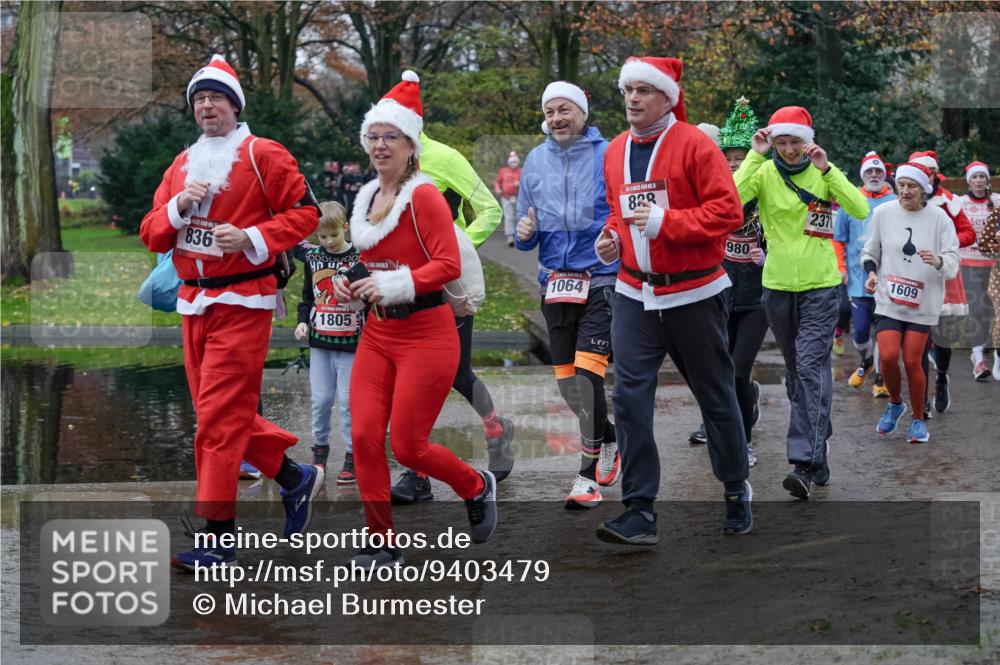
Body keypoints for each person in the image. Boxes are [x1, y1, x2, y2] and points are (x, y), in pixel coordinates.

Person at [140, 55, 322, 570]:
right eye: (198, 99)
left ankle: (218, 538)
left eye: (215, 97)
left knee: (217, 424)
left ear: (234, 105)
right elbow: (151, 230)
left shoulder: (263, 152)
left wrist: (252, 237)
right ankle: (294, 478)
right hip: (192, 302)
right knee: (218, 416)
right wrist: (178, 208)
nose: (206, 106)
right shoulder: (182, 163)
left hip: (244, 301)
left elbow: (307, 213)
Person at [333, 71, 497, 566]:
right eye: (374, 137)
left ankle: (474, 485)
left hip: (428, 335)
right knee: (362, 435)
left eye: (392, 137)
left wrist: (394, 284)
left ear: (411, 145)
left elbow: (446, 263)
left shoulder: (423, 195)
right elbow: (373, 265)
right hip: (379, 334)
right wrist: (351, 287)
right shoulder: (366, 199)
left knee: (407, 446)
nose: (381, 145)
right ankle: (381, 542)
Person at [593, 56, 751, 545]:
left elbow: (728, 212)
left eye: (644, 90)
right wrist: (611, 239)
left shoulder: (695, 144)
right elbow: (619, 214)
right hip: (633, 292)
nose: (633, 99)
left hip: (694, 292)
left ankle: (734, 488)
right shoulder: (615, 149)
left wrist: (669, 224)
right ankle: (640, 509)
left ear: (668, 96)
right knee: (630, 398)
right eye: (628, 90)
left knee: (716, 396)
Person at [389, 74, 515, 504]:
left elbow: (490, 210)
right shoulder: (385, 160)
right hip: (402, 286)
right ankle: (416, 474)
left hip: (449, 283)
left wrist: (461, 251)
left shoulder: (444, 157)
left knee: (457, 373)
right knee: (408, 375)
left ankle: (497, 427)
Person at [734, 105, 869, 500]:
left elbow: (860, 208)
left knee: (811, 366)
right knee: (797, 373)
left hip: (821, 286)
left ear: (807, 141)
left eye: (795, 142)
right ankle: (818, 440)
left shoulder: (822, 172)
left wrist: (829, 171)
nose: (789, 149)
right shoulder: (763, 172)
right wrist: (755, 155)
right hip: (776, 286)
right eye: (782, 142)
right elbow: (731, 200)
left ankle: (804, 463)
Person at [516, 80, 620, 508]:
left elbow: (623, 207)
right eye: (551, 111)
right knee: (567, 386)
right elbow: (525, 225)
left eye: (565, 110)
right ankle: (611, 437)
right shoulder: (535, 160)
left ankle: (587, 475)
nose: (557, 118)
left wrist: (612, 235)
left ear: (582, 113)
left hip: (601, 279)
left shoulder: (609, 154)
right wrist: (525, 232)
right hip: (555, 282)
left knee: (587, 374)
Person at [687, 96, 767, 468]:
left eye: (742, 156)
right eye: (730, 156)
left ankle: (742, 443)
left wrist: (767, 254)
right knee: (719, 370)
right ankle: (740, 403)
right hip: (717, 292)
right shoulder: (711, 191)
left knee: (736, 368)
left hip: (757, 297)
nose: (735, 162)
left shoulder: (768, 188)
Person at [862, 162, 959, 443]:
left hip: (923, 302)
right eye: (901, 185)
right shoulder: (883, 213)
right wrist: (870, 274)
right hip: (888, 300)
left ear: (923, 190)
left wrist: (939, 261)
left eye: (911, 186)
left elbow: (953, 262)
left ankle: (918, 419)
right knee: (890, 357)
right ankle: (895, 403)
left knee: (913, 360)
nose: (905, 191)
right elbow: (871, 252)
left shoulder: (940, 219)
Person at [294, 201, 364, 484]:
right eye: (321, 237)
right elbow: (307, 295)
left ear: (345, 228)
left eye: (333, 235)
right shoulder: (313, 256)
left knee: (348, 402)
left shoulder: (361, 256)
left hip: (352, 342)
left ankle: (352, 455)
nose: (328, 242)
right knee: (321, 400)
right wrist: (301, 320)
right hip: (320, 340)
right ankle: (320, 451)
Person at [907, 150, 976, 414]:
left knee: (942, 338)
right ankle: (921, 398)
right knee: (919, 341)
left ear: (935, 174)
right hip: (913, 274)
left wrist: (945, 245)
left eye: (929, 172)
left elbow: (968, 233)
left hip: (943, 273)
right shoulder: (905, 200)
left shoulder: (949, 202)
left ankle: (942, 377)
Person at [834, 151, 897, 395]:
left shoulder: (894, 201)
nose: (873, 175)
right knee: (860, 332)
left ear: (884, 175)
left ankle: (880, 378)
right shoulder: (850, 201)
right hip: (858, 280)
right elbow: (838, 239)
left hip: (887, 278)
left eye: (878, 171)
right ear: (862, 175)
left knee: (883, 332)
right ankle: (866, 361)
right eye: (869, 171)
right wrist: (841, 268)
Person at [958, 160, 999, 380]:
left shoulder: (998, 201)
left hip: (994, 264)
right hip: (969, 264)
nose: (979, 181)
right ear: (969, 181)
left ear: (987, 179)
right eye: (974, 177)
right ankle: (978, 358)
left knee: (995, 310)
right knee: (978, 310)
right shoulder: (961, 202)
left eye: (982, 176)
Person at [494, 151, 522, 246]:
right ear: (509, 162)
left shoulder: (522, 171)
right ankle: (510, 236)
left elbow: (527, 183)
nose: (513, 164)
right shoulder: (503, 171)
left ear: (517, 162)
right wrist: (497, 189)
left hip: (519, 197)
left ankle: (519, 235)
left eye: (515, 162)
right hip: (506, 197)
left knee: (518, 217)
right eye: (512, 162)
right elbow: (497, 182)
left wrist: (520, 183)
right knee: (509, 216)